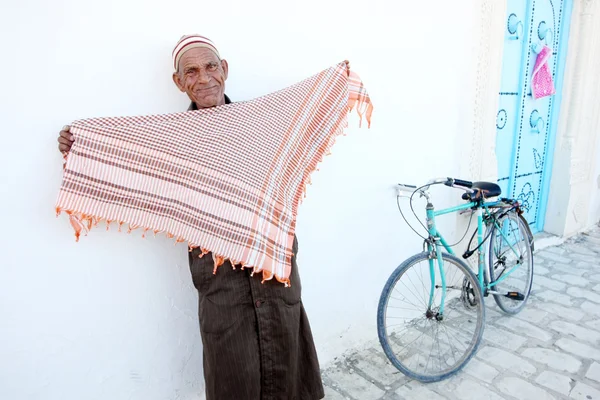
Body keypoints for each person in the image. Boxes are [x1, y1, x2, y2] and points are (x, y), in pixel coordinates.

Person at [57, 34, 328, 400]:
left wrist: (335, 82)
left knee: (287, 351)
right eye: (192, 71)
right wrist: (83, 146)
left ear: (225, 69)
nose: (204, 78)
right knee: (232, 367)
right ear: (179, 81)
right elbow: (133, 160)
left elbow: (302, 120)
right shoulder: (173, 138)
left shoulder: (259, 123)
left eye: (211, 66)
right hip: (220, 273)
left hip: (271, 263)